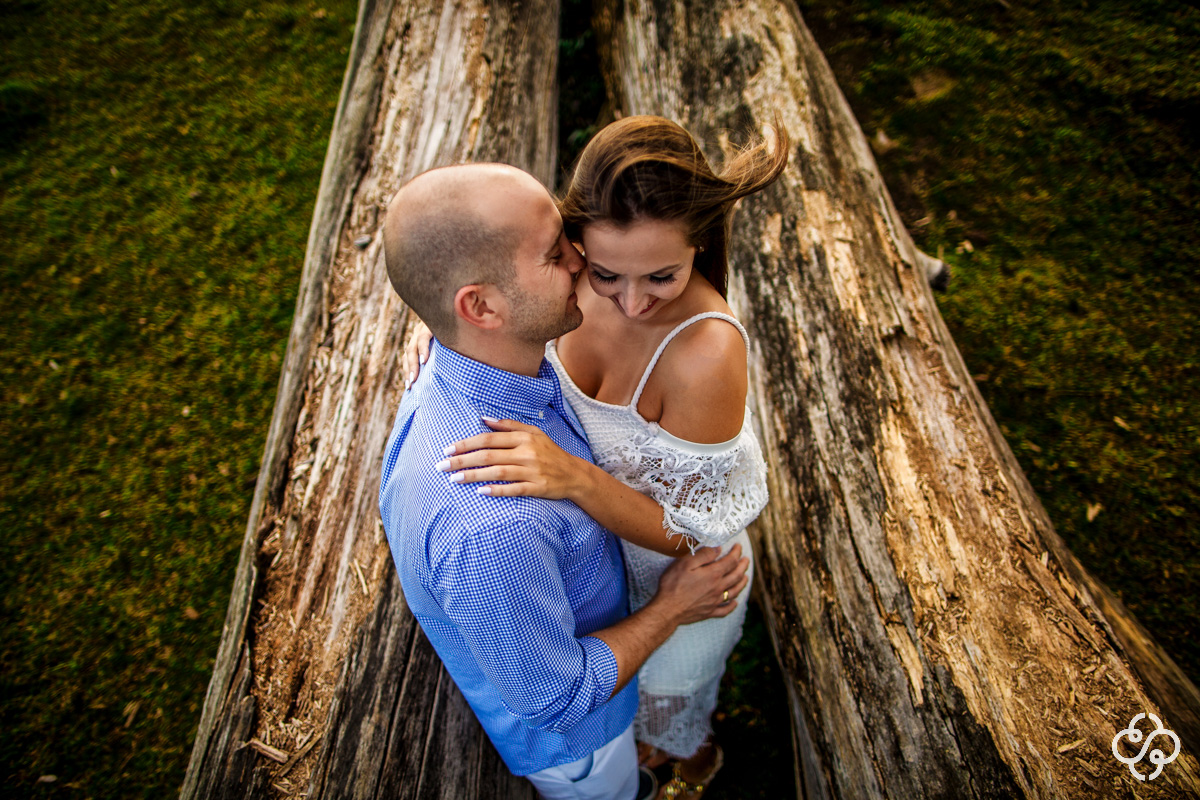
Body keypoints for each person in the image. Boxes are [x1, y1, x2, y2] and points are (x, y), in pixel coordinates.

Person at [404, 117, 787, 799]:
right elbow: (483, 274)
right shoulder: (555, 280)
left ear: (697, 243)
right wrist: (442, 331)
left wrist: (576, 479)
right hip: (584, 582)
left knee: (672, 710)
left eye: (662, 276)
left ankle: (695, 765)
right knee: (617, 713)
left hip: (678, 581)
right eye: (605, 272)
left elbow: (695, 533)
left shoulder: (705, 357)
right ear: (573, 244)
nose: (632, 301)